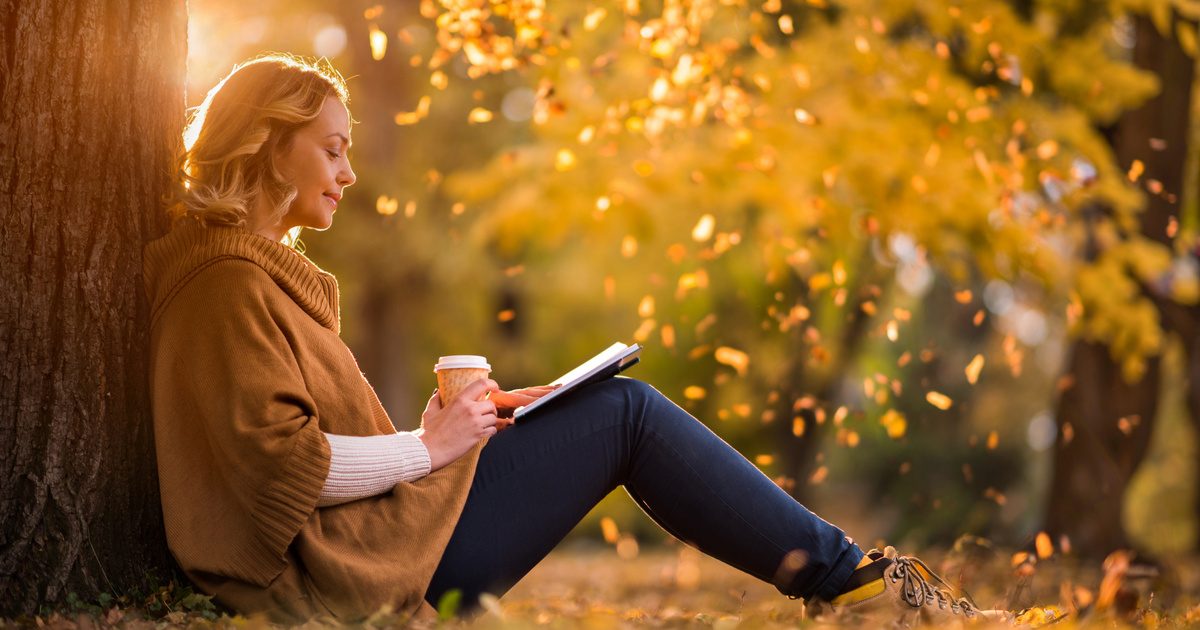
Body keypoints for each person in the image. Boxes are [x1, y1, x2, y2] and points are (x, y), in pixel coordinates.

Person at [145, 54, 1061, 627]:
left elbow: (309, 441)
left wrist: (449, 429)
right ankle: (858, 588)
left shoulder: (255, 278)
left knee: (604, 404)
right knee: (626, 413)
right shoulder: (228, 285)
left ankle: (853, 580)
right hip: (362, 572)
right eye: (332, 148)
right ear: (269, 143)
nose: (348, 171)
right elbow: (278, 469)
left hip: (389, 538)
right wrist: (430, 446)